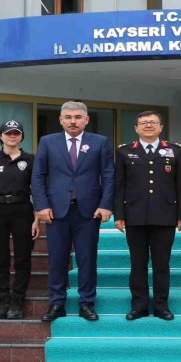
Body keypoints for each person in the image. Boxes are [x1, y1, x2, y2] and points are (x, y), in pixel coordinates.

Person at [31, 101, 115, 322]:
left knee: (87, 258)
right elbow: (38, 176)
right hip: (56, 211)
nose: (73, 121)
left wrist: (106, 204)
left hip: (88, 211)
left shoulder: (99, 142)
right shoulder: (48, 142)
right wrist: (41, 205)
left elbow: (108, 175)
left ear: (86, 119)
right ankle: (56, 303)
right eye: (68, 117)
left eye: (78, 117)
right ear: (61, 120)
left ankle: (86, 303)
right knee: (57, 258)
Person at [114, 111, 181, 321]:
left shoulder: (174, 151)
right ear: (136, 128)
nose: (148, 125)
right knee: (137, 263)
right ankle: (139, 306)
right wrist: (119, 214)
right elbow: (119, 186)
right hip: (134, 215)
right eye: (144, 123)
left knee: (161, 263)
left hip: (165, 215)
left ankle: (161, 306)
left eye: (153, 122)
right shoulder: (124, 152)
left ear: (161, 127)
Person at [0, 120, 39, 320]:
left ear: (21, 137)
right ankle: (3, 300)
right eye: (8, 133)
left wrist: (37, 219)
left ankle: (17, 300)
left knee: (22, 257)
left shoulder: (30, 160)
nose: (12, 136)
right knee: (0, 258)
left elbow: (37, 192)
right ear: (1, 136)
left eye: (16, 133)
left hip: (22, 211)